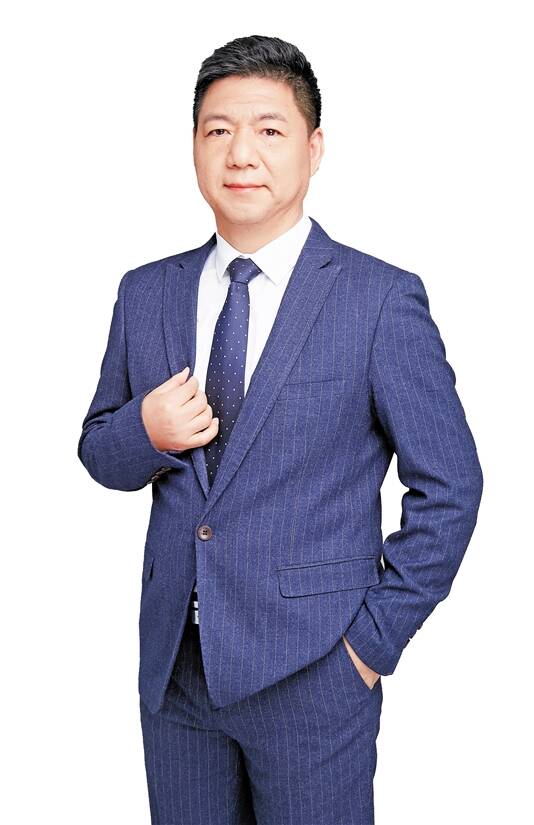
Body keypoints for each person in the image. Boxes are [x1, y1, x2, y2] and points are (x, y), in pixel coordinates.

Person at [78, 34, 483, 825]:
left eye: (269, 129)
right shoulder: (146, 292)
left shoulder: (377, 299)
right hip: (176, 674)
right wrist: (146, 428)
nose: (241, 153)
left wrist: (368, 647)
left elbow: (451, 486)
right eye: (219, 129)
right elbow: (99, 448)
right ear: (194, 146)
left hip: (314, 674)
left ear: (314, 147)